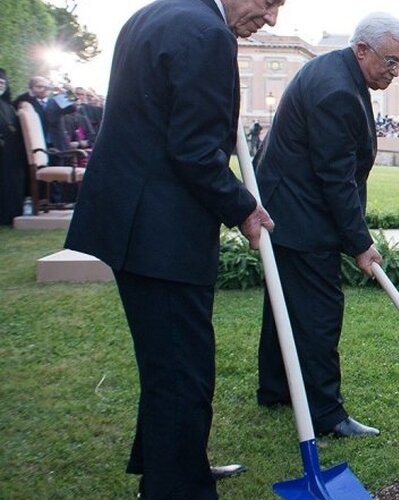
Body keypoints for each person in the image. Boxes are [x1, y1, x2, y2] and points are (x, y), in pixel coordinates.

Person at [62, 0, 281, 497]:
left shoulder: (158, 13)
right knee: (183, 369)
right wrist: (244, 207)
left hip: (134, 223)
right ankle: (177, 486)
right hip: (160, 232)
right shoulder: (207, 33)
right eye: (268, 2)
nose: (270, 18)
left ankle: (174, 465)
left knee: (168, 362)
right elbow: (195, 150)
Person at [254, 11, 399, 439]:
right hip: (302, 215)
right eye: (391, 61)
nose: (395, 71)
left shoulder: (336, 72)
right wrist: (360, 243)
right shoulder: (338, 90)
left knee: (284, 304)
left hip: (286, 208)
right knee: (319, 313)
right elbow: (335, 178)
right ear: (362, 50)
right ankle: (325, 413)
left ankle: (276, 387)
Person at [0, 68, 28, 225]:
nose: (0, 85)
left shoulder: (8, 106)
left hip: (10, 152)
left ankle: (10, 215)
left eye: (2, 82)